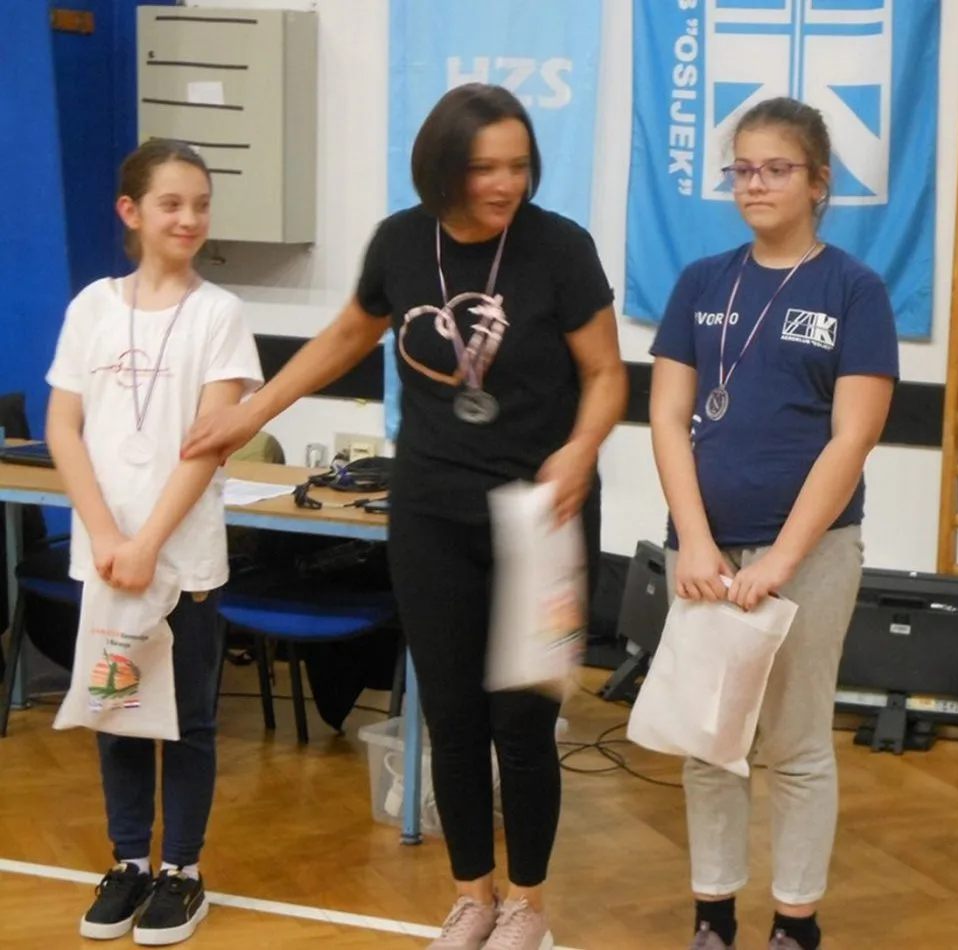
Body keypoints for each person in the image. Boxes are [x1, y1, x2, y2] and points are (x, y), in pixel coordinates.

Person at [181, 83, 626, 950]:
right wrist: (251, 412)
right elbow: (347, 336)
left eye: (519, 166)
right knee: (451, 714)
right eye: (485, 168)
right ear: (443, 169)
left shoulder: (560, 248)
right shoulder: (401, 242)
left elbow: (607, 374)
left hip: (544, 515)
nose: (505, 184)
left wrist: (581, 449)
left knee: (522, 722)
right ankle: (472, 898)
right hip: (430, 511)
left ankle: (527, 905)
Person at [649, 97, 899, 950]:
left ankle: (796, 922)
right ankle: (713, 915)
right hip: (705, 554)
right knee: (709, 742)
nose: (755, 184)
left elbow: (853, 437)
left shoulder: (854, 290)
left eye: (776, 169)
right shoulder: (700, 282)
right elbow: (668, 417)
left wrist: (782, 561)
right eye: (743, 170)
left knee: (795, 744)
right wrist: (694, 539)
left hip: (812, 554)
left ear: (818, 182)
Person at [46, 139, 263, 944]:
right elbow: (63, 426)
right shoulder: (92, 307)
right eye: (172, 203)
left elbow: (210, 443)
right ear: (131, 212)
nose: (189, 218)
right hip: (107, 557)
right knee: (118, 711)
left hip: (183, 559)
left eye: (201, 204)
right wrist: (108, 534)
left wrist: (150, 543)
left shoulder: (219, 314)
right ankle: (130, 861)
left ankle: (183, 871)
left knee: (190, 721)